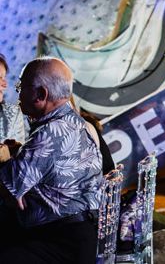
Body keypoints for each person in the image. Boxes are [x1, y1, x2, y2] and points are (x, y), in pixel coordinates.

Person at [0, 56, 103, 263]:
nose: (16, 93)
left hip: (61, 243)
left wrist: (4, 161)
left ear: (40, 94)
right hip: (85, 237)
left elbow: (9, 190)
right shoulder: (80, 124)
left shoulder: (49, 133)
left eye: (21, 86)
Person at [0, 53, 26, 144]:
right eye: (0, 78)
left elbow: (18, 155)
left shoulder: (13, 114)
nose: (5, 85)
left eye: (4, 77)